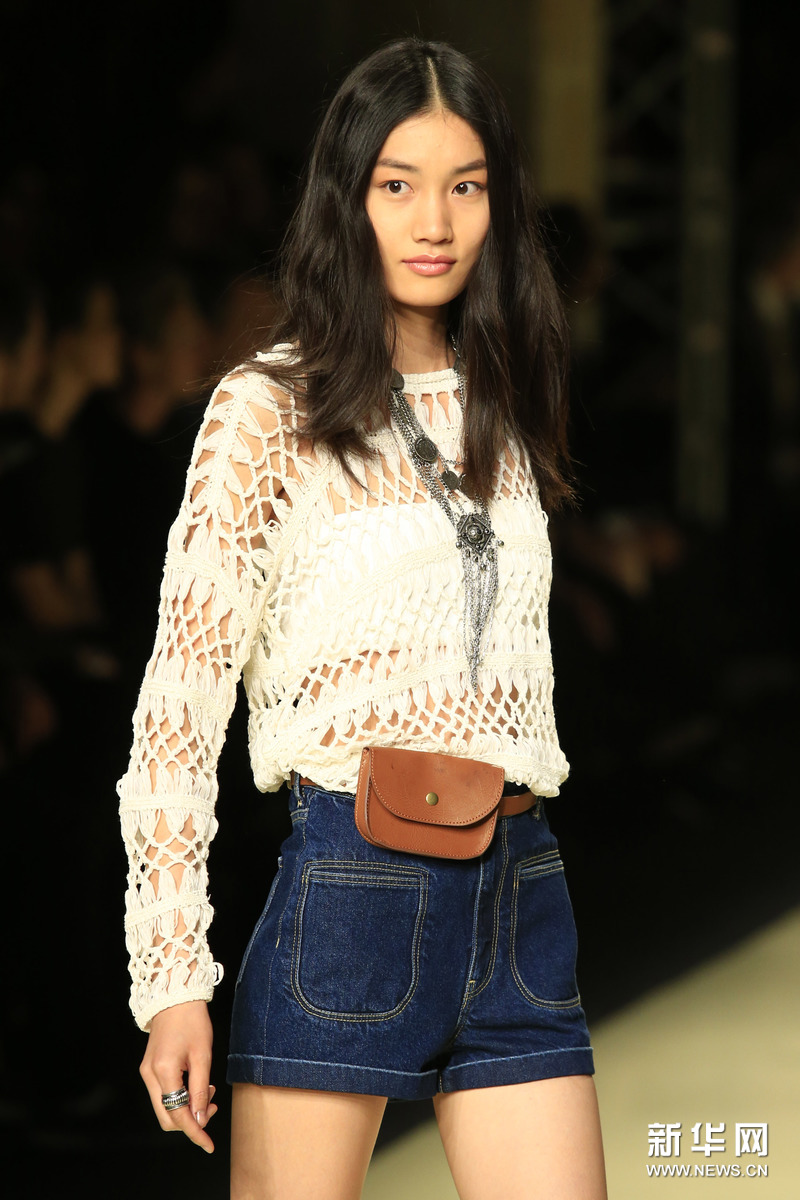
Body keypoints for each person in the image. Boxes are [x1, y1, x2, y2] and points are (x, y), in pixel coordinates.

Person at [118, 38, 608, 1200]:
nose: (433, 221)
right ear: (347, 196)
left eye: (464, 185)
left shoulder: (503, 394)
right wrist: (172, 978)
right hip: (352, 890)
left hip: (521, 887)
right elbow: (177, 712)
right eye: (397, 184)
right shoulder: (265, 411)